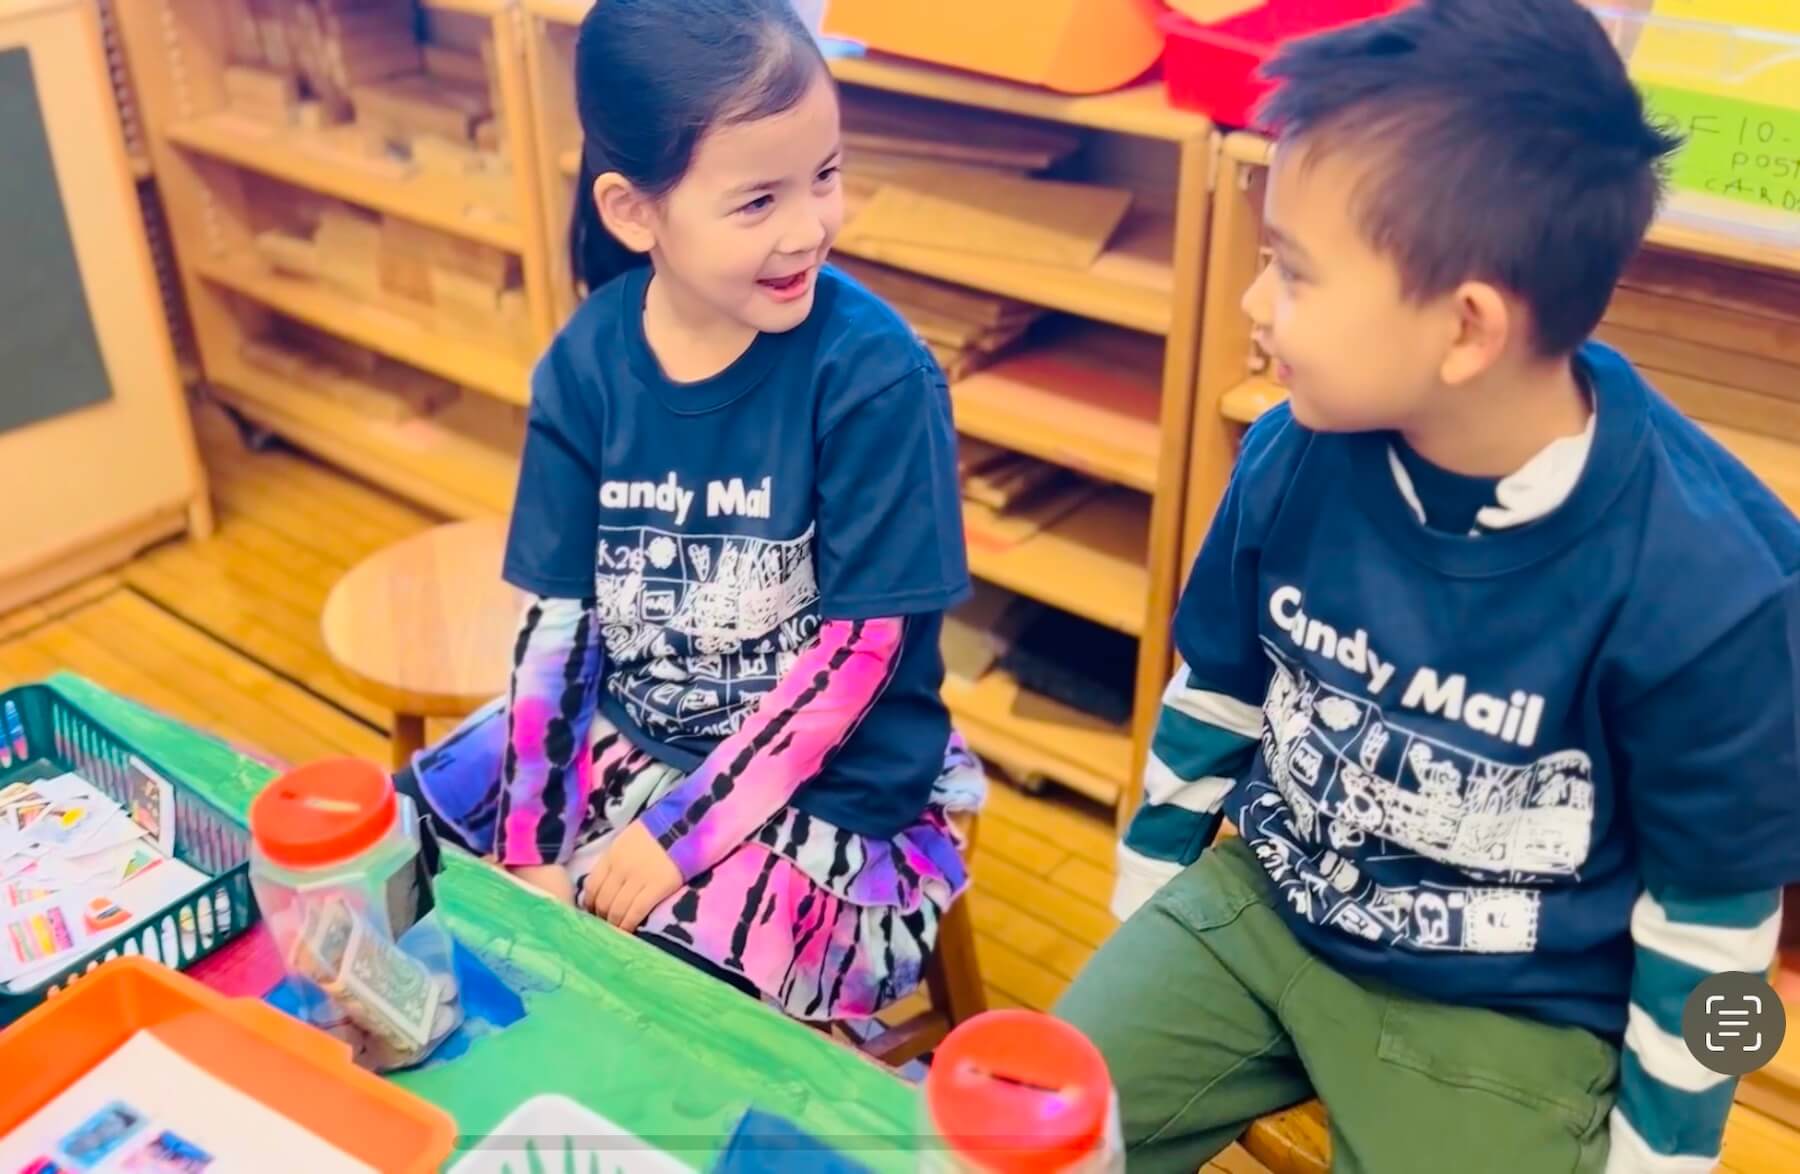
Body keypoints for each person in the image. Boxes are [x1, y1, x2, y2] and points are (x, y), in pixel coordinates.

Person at [1055, 1, 1800, 1171]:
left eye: (1292, 273)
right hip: (1260, 904)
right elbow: (1217, 690)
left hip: (1512, 1010)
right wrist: (1145, 904)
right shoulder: (1293, 448)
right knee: (1013, 1136)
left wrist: (1669, 1155)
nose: (1256, 307)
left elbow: (1723, 926)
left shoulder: (1712, 590)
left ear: (1466, 330)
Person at [395, 0, 981, 1023]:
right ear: (634, 211)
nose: (809, 227)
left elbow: (856, 663)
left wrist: (675, 835)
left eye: (826, 175)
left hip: (826, 786)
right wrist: (536, 844)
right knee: (399, 857)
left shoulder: (876, 376)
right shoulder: (586, 364)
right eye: (757, 202)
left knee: (654, 1009)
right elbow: (560, 627)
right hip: (634, 733)